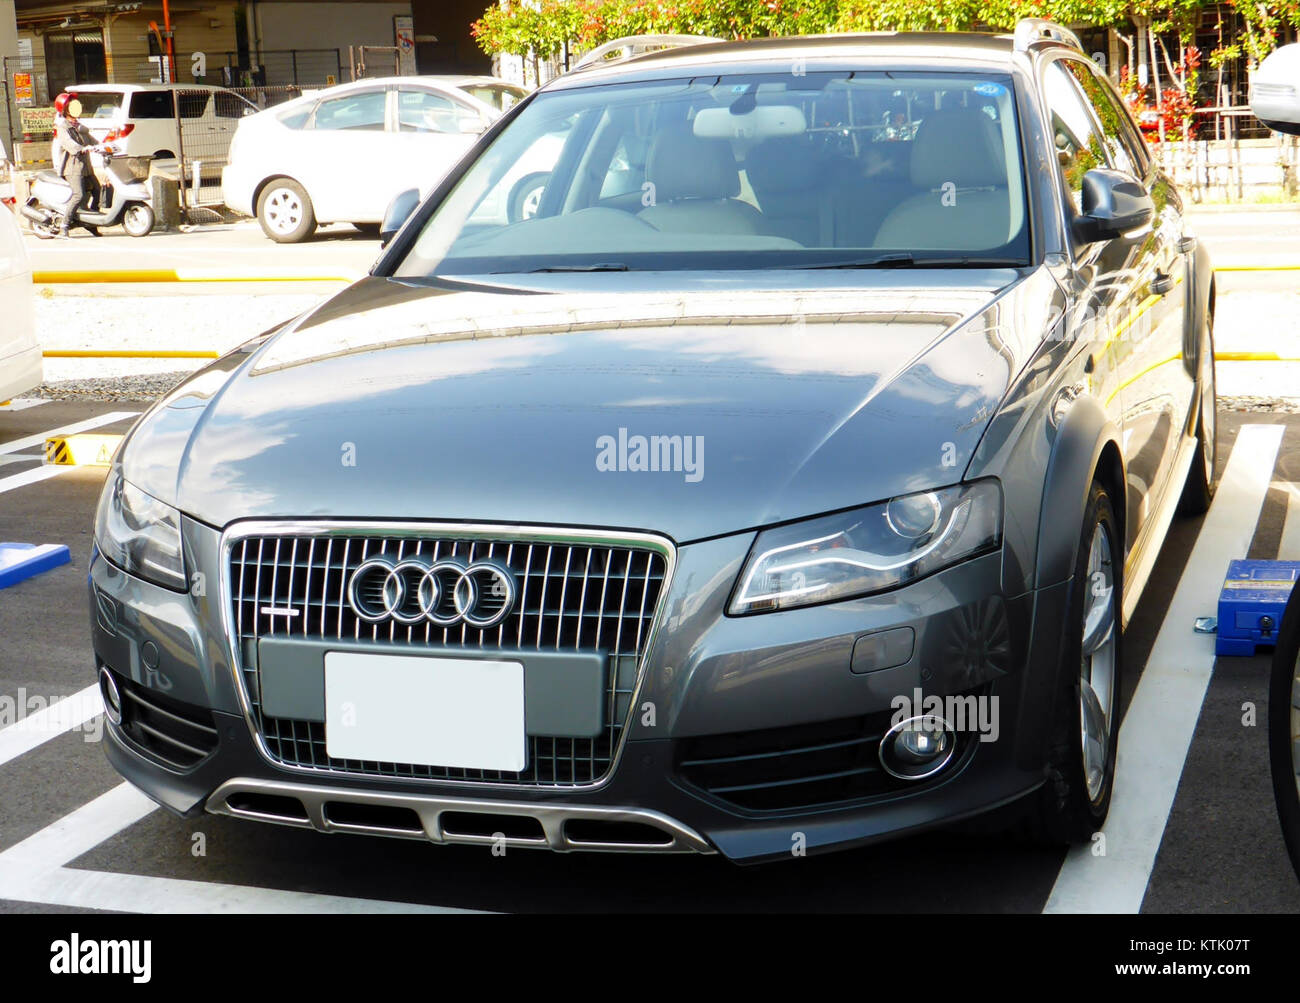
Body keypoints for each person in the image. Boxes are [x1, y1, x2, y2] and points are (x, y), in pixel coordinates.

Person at [51, 94, 101, 237]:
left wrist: (105, 146)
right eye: (72, 105)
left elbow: (93, 141)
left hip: (86, 167)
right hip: (72, 168)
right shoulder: (63, 127)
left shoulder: (80, 127)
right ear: (66, 109)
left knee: (98, 190)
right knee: (78, 195)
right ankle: (64, 225)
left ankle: (90, 222)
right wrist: (82, 148)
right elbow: (69, 144)